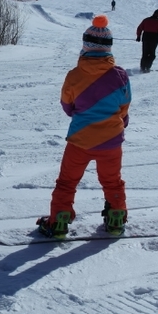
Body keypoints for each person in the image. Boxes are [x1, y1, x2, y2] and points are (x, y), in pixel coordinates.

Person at [38, 15, 132, 239]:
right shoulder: (119, 76)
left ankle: (59, 221)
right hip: (111, 142)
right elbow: (124, 105)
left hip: (80, 140)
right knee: (112, 181)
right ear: (108, 48)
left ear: (85, 46)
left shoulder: (74, 75)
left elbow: (67, 104)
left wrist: (78, 113)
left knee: (67, 182)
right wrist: (120, 122)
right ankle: (116, 217)